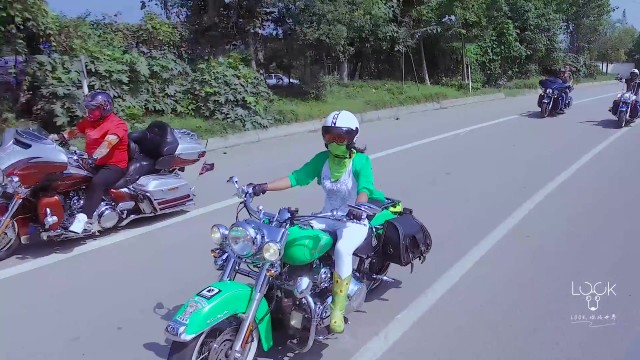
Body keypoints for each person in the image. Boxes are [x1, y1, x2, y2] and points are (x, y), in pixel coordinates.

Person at [249, 110, 386, 334]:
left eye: (339, 137)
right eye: (328, 137)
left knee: (342, 249)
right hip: (325, 217)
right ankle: (286, 292)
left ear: (351, 138)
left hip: (353, 220)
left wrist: (359, 207)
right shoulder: (322, 160)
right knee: (290, 237)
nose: (333, 142)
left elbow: (365, 188)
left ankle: (337, 311)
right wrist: (263, 187)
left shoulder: (361, 161)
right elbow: (296, 177)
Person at [49, 91, 129, 233]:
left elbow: (108, 144)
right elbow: (75, 132)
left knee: (97, 182)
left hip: (114, 165)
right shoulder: (89, 121)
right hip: (95, 162)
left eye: (93, 108)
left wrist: (93, 158)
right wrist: (55, 137)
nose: (89, 111)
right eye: (88, 108)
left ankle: (83, 218)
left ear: (105, 108)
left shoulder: (117, 124)